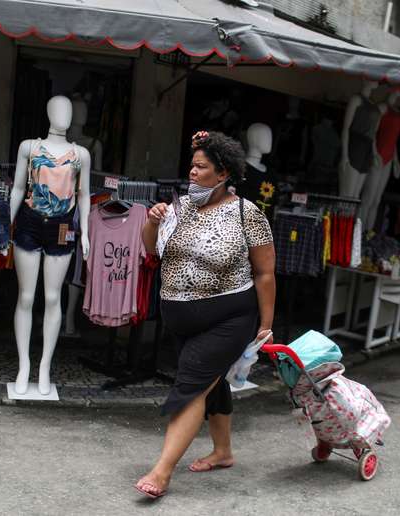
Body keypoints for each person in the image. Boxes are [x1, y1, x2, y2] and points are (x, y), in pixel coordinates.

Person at [135, 131, 276, 499]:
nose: (192, 173)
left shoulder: (247, 214)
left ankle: (162, 472)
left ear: (223, 173)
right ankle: (223, 451)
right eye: (192, 166)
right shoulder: (179, 207)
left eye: (201, 167)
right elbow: (152, 250)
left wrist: (265, 324)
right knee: (214, 383)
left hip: (229, 318)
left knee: (192, 385)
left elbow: (264, 273)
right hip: (180, 318)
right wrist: (152, 221)